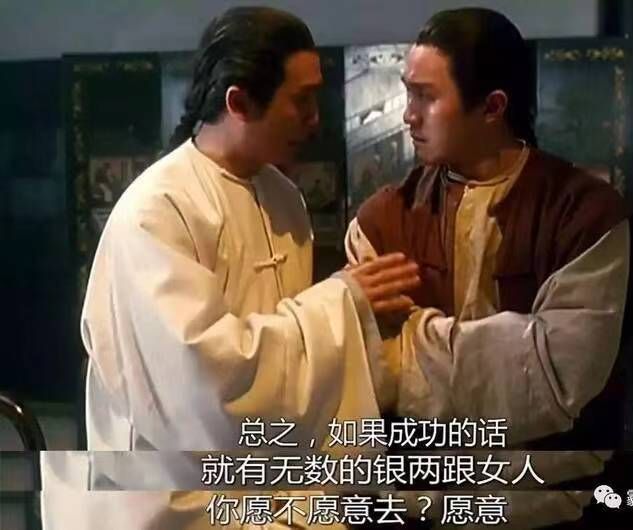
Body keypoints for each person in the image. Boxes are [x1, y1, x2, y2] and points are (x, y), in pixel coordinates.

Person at [41, 7, 419, 529]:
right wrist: (341, 303)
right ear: (238, 102)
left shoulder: (284, 198)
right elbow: (205, 386)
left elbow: (292, 366)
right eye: (301, 100)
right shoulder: (157, 212)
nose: (315, 119)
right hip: (178, 499)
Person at [345, 8, 633, 528]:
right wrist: (509, 347)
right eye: (408, 94)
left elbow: (555, 381)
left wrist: (407, 342)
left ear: (493, 107)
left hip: (549, 508)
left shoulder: (584, 216)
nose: (408, 115)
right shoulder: (382, 221)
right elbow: (358, 366)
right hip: (415, 508)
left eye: (426, 97)